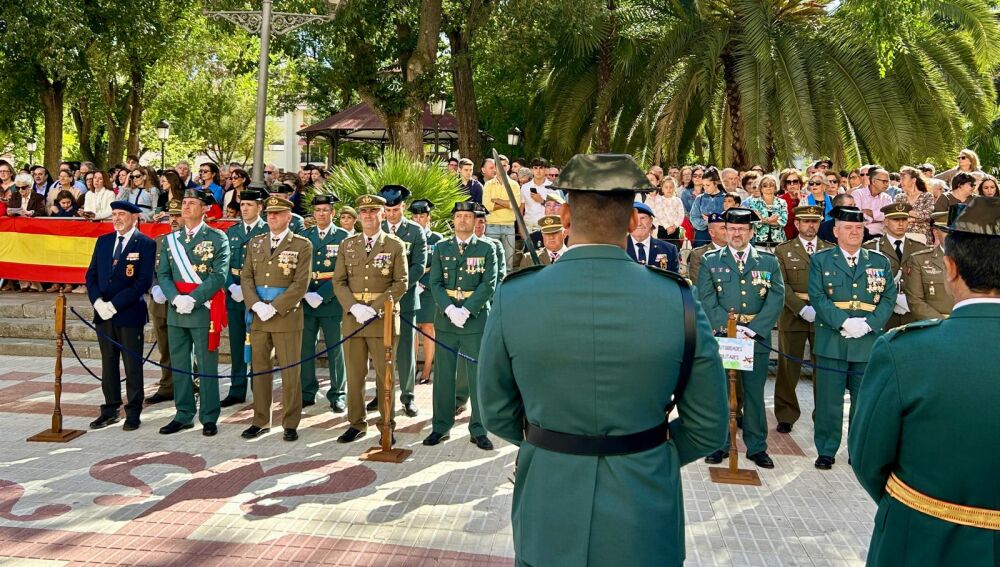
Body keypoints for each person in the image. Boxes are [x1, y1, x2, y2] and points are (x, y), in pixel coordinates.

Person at [478, 153, 728, 567]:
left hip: (548, 506)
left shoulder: (514, 295)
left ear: (566, 219)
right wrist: (647, 452)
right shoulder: (678, 300)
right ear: (632, 220)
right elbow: (708, 426)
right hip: (644, 511)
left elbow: (495, 411)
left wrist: (549, 447)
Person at [849, 196, 1000, 567]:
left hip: (920, 539)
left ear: (950, 268)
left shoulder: (905, 351)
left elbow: (867, 458)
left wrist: (913, 506)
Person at [807, 205, 897, 470]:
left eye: (859, 227)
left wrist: (868, 325)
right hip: (832, 340)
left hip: (867, 342)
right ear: (836, 232)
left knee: (864, 402)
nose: (854, 232)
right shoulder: (821, 260)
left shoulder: (879, 261)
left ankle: (857, 449)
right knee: (828, 401)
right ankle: (826, 449)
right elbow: (817, 296)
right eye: (848, 227)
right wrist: (844, 321)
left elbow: (888, 297)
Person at [699, 207, 785, 468]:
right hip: (724, 337)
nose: (736, 234)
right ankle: (720, 444)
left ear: (751, 232)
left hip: (755, 338)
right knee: (723, 392)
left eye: (742, 229)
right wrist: (729, 328)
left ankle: (757, 447)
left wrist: (753, 329)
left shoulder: (768, 261)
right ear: (725, 231)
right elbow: (706, 298)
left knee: (754, 393)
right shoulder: (710, 260)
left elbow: (776, 297)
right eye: (731, 229)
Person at [331, 194, 408, 444]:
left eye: (373, 211)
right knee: (354, 376)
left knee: (385, 376)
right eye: (364, 211)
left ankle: (387, 425)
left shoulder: (395, 245)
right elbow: (339, 281)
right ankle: (356, 423)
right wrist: (353, 307)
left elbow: (401, 283)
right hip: (353, 319)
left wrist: (374, 308)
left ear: (382, 214)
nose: (368, 216)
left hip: (381, 319)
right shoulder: (348, 244)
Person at [422, 201, 498, 450]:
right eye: (459, 216)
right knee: (444, 376)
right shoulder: (441, 247)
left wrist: (466, 310)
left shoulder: (487, 248)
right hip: (446, 320)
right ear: (453, 220)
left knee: (478, 377)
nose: (463, 220)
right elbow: (435, 282)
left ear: (475, 220)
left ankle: (479, 429)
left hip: (474, 320)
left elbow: (489, 283)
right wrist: (449, 309)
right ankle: (440, 427)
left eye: (468, 216)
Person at [155, 188, 231, 437]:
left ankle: (209, 416)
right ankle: (183, 414)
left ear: (205, 208)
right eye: (184, 203)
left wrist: (194, 299)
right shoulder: (171, 240)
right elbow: (163, 274)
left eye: (191, 203)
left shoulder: (217, 238)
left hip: (202, 310)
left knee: (206, 365)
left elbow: (219, 276)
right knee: (180, 365)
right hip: (177, 309)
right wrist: (175, 298)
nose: (185, 207)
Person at [239, 196, 312, 442]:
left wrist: (276, 307)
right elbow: (246, 277)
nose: (272, 217)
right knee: (259, 370)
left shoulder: (301, 245)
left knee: (291, 372)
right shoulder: (256, 242)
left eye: (278, 213)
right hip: (259, 315)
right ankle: (260, 420)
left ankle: (290, 423)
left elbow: (300, 283)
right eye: (269, 213)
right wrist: (256, 304)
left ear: (289, 217)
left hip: (286, 316)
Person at [84, 201, 156, 431]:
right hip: (103, 313)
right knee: (108, 363)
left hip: (128, 313)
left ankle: (133, 411)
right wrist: (97, 301)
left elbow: (142, 281)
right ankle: (110, 409)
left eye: (121, 214)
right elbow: (91, 275)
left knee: (132, 365)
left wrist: (114, 305)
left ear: (134, 217)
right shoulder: (104, 241)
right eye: (114, 214)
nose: (116, 218)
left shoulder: (145, 243)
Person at [773, 205, 831, 433]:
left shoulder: (830, 249)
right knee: (788, 368)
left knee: (824, 369)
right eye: (806, 221)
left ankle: (823, 415)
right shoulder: (783, 250)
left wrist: (820, 308)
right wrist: (801, 308)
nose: (810, 225)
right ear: (797, 224)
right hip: (792, 315)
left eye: (814, 221)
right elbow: (781, 284)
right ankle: (786, 415)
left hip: (823, 316)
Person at [373, 184, 427, 418]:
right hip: (378, 301)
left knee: (405, 351)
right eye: (387, 210)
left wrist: (396, 290)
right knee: (379, 350)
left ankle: (408, 396)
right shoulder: (376, 229)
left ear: (403, 207)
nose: (391, 214)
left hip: (405, 300)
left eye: (395, 210)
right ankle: (380, 393)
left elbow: (418, 267)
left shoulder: (415, 231)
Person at [218, 189, 268, 407]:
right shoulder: (232, 232)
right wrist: (230, 286)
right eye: (243, 205)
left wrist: (249, 292)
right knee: (237, 345)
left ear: (260, 208)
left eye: (250, 205)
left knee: (259, 346)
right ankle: (237, 389)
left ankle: (260, 390)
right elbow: (223, 263)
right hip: (235, 297)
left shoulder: (267, 231)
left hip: (259, 297)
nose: (245, 209)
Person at [300, 194, 350, 412]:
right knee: (305, 349)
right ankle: (306, 392)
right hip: (307, 300)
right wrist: (305, 293)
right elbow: (297, 268)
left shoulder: (344, 237)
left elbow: (345, 271)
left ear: (333, 213)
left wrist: (323, 294)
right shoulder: (304, 236)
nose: (321, 214)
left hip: (332, 302)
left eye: (325, 210)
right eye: (318, 210)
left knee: (335, 349)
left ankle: (338, 394)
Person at [863, 203, 929, 329]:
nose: (901, 224)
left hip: (912, 311)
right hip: (883, 312)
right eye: (896, 220)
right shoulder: (872, 248)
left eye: (904, 219)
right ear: (886, 222)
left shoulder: (920, 248)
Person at [146, 199, 183, 405]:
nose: (174, 220)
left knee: (186, 347)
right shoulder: (159, 241)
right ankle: (168, 385)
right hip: (160, 303)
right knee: (165, 347)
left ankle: (190, 383)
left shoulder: (195, 242)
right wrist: (154, 288)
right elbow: (149, 270)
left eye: (178, 215)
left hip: (184, 302)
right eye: (171, 216)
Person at [409, 199, 442, 385]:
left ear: (429, 217)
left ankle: (427, 369)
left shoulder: (437, 239)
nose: (418, 220)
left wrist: (423, 282)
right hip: (411, 287)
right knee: (412, 329)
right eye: (415, 217)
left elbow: (437, 267)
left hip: (428, 290)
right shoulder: (408, 236)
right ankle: (412, 367)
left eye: (422, 216)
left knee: (428, 327)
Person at [902, 209, 956, 320]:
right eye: (947, 231)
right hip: (936, 324)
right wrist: (943, 323)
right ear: (935, 232)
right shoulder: (919, 260)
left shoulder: (975, 259)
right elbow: (915, 301)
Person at [481, 158, 519, 266]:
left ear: (508, 167)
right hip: (492, 226)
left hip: (509, 226)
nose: (502, 168)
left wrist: (497, 200)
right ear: (495, 168)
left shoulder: (514, 185)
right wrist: (507, 203)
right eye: (499, 165)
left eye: (504, 165)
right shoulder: (488, 184)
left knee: (508, 263)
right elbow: (487, 206)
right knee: (491, 261)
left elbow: (515, 205)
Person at [626, 201, 679, 271]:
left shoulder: (669, 250)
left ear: (651, 221)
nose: (639, 223)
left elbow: (673, 277)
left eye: (643, 218)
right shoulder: (617, 250)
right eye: (634, 219)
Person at [894, 166, 935, 243]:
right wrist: (916, 217)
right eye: (900, 179)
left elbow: (928, 215)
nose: (901, 182)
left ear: (913, 180)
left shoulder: (927, 196)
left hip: (921, 236)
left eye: (903, 178)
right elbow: (895, 216)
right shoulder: (899, 197)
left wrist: (906, 213)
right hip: (902, 235)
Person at [745, 174, 788, 247]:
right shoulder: (753, 202)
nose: (768, 187)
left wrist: (763, 220)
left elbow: (783, 221)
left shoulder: (782, 202)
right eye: (765, 185)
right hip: (759, 243)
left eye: (771, 185)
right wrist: (771, 220)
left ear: (775, 188)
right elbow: (755, 222)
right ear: (761, 188)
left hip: (779, 243)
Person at [689, 166, 727, 246]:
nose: (705, 188)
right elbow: (693, 218)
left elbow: (728, 218)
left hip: (721, 237)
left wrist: (710, 219)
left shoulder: (726, 198)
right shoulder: (699, 198)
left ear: (715, 183)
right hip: (702, 237)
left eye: (708, 185)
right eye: (703, 185)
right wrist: (707, 222)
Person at [686, 212, 727, 281]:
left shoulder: (738, 252)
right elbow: (698, 283)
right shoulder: (699, 255)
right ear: (711, 233)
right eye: (723, 228)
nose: (728, 231)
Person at [520, 157, 555, 231]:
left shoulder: (552, 187)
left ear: (546, 170)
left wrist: (542, 201)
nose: (538, 171)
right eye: (535, 168)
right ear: (531, 170)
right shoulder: (525, 187)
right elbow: (521, 208)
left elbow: (557, 209)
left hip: (547, 226)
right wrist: (520, 228)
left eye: (541, 168)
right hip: (528, 227)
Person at [650, 176, 685, 247]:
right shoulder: (659, 199)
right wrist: (667, 227)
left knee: (675, 248)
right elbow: (660, 214)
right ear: (662, 189)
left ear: (675, 188)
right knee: (662, 249)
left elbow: (681, 215)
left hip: (675, 229)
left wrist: (674, 226)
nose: (669, 189)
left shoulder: (678, 200)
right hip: (663, 229)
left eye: (671, 187)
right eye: (666, 187)